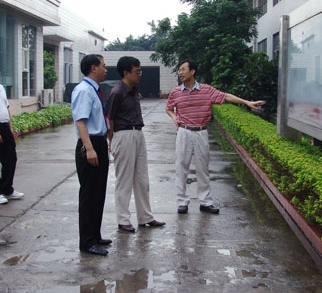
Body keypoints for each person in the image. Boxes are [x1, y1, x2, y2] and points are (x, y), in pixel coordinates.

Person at [165, 60, 265, 215]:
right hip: (184, 132)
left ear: (192, 71)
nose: (180, 73)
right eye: (179, 70)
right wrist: (174, 118)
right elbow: (169, 108)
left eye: (183, 69)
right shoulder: (175, 92)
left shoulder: (206, 90)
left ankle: (205, 202)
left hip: (201, 132)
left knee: (202, 168)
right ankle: (182, 202)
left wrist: (247, 102)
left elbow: (226, 96)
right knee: (181, 167)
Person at [106, 56, 165, 233]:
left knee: (142, 179)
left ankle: (145, 216)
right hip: (123, 135)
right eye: (137, 71)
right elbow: (109, 119)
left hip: (138, 134)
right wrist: (112, 141)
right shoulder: (117, 92)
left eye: (140, 71)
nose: (140, 74)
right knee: (124, 180)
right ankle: (123, 219)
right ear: (126, 73)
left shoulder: (133, 90)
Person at [72, 54, 111, 256]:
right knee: (89, 195)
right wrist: (89, 148)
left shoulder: (94, 90)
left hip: (98, 143)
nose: (106, 70)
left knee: (98, 193)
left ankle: (95, 235)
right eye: (103, 66)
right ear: (93, 68)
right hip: (90, 144)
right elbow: (81, 121)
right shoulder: (84, 90)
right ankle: (87, 242)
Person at [0, 61, 24, 205]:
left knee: (11, 159)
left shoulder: (1, 88)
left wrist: (10, 127)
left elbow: (6, 108)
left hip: (5, 127)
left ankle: (7, 189)